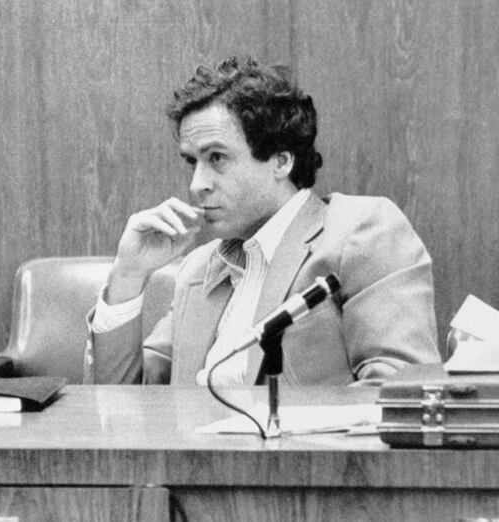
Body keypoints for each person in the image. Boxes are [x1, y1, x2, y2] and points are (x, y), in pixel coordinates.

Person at [83, 55, 440, 387]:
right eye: (193, 162)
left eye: (217, 158)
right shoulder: (199, 268)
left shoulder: (361, 231)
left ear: (281, 162)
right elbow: (120, 408)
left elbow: (399, 393)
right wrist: (127, 277)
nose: (196, 185)